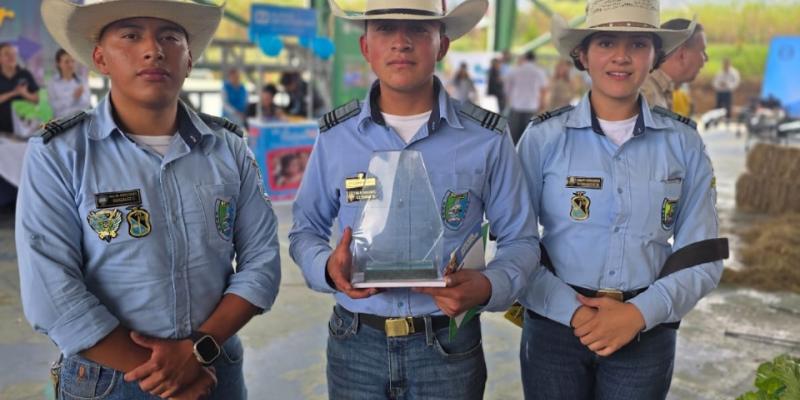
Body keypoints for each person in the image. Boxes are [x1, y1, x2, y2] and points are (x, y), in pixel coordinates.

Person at [19, 0, 282, 399]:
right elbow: (51, 293)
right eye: (130, 35)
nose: (153, 49)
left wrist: (198, 351)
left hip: (214, 365)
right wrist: (169, 373)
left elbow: (262, 262)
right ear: (100, 58)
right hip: (109, 379)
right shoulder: (60, 153)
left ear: (189, 59)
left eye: (169, 36)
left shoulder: (228, 149)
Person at [290, 0, 539, 399]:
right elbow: (305, 229)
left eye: (419, 30)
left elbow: (523, 239)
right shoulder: (336, 137)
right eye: (386, 28)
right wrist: (326, 268)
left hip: (447, 347)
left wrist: (490, 286)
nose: (401, 42)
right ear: (365, 46)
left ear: (442, 45)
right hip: (356, 342)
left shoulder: (486, 138)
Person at [516, 0, 727, 399]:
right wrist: (573, 312)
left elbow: (701, 253)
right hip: (554, 331)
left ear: (655, 56)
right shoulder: (544, 139)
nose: (621, 57)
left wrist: (639, 314)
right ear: (583, 54)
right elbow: (514, 243)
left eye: (637, 45)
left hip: (645, 333)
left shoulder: (683, 143)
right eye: (606, 42)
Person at [641, 18, 707, 111]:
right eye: (702, 51)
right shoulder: (646, 96)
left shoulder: (659, 91)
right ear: (682, 54)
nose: (705, 59)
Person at [504, 50, 548, 144]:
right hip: (532, 106)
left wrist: (510, 100)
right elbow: (544, 89)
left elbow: (507, 89)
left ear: (525, 59)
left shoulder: (515, 70)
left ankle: (513, 155)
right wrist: (542, 103)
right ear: (534, 59)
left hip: (516, 106)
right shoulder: (539, 72)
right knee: (528, 136)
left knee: (513, 136)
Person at [0, 42, 39, 135]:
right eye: (7, 54)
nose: (11, 57)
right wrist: (13, 93)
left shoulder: (25, 74)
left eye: (13, 54)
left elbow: (36, 99)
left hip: (24, 128)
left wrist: (25, 93)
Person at [47, 49, 92, 118]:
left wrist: (78, 98)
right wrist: (73, 97)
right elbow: (54, 107)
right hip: (61, 122)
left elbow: (87, 103)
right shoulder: (53, 83)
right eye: (66, 62)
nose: (70, 65)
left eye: (73, 61)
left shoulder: (82, 81)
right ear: (58, 64)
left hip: (80, 121)